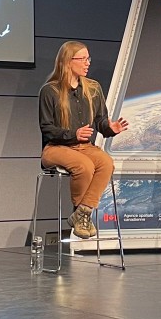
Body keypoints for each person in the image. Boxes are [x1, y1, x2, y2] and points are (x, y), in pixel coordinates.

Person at [38, 41, 128, 239]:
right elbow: (47, 129)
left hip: (84, 146)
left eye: (89, 58)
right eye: (83, 59)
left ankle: (82, 213)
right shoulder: (50, 91)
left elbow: (100, 121)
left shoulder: (93, 88)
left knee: (106, 162)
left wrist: (110, 128)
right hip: (56, 147)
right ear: (68, 62)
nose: (88, 63)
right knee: (84, 166)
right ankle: (81, 212)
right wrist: (73, 134)